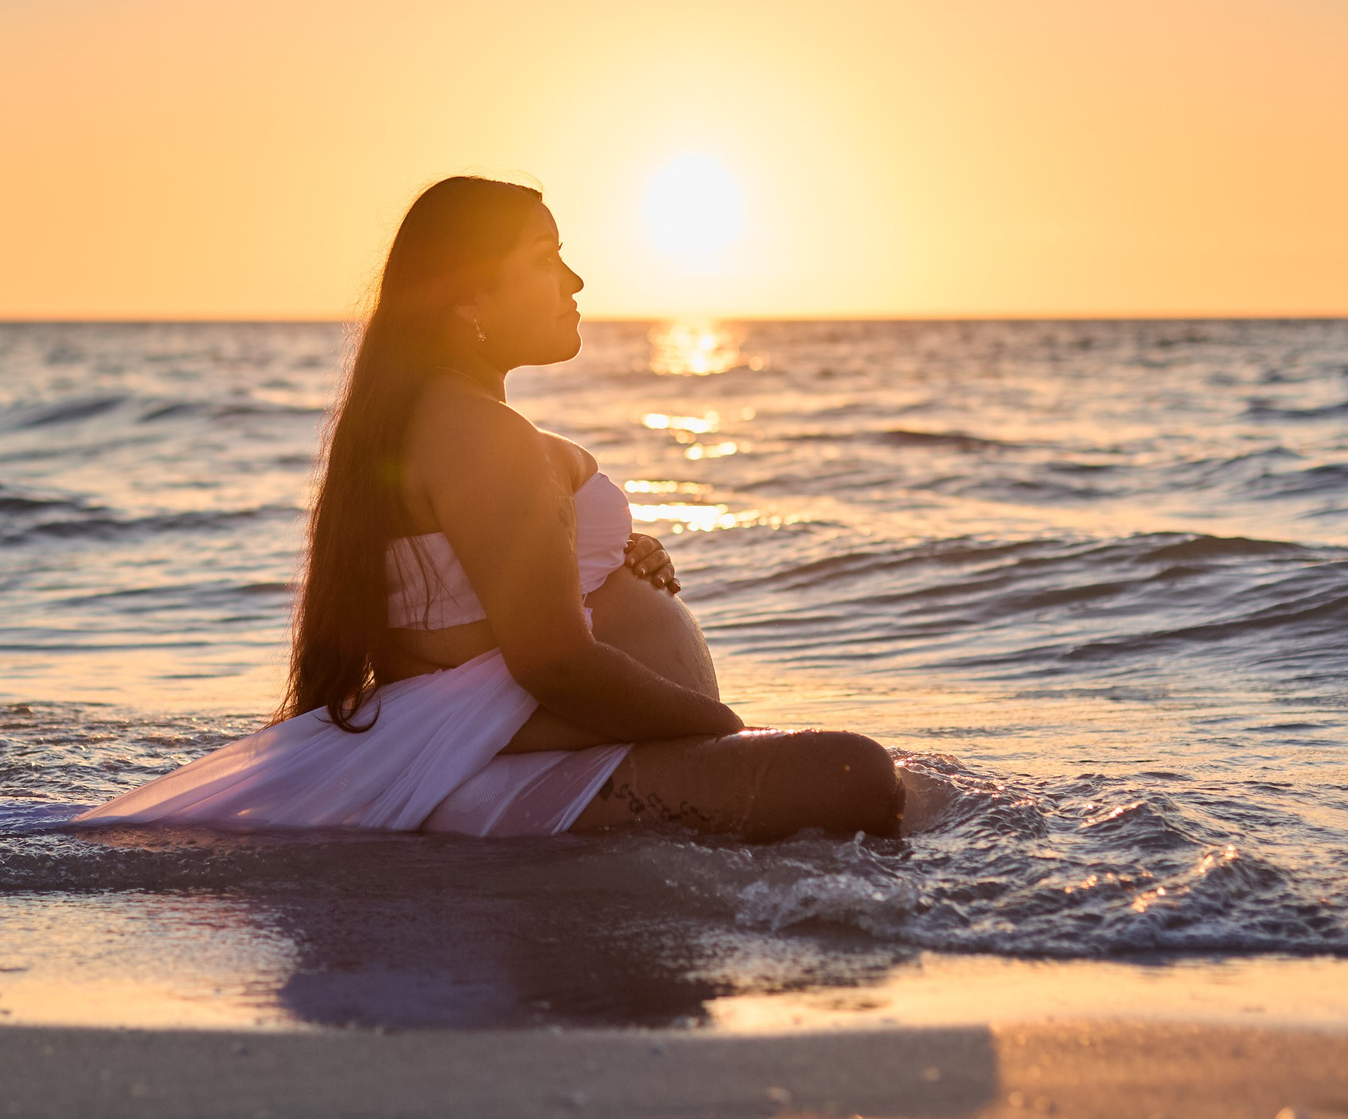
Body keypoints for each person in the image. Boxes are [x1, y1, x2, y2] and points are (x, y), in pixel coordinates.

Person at [74, 176, 903, 841]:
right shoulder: (482, 432)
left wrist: (607, 556)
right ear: (470, 296)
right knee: (856, 774)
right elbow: (552, 665)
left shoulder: (426, 420)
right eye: (546, 259)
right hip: (506, 777)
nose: (574, 281)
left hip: (478, 765)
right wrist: (719, 724)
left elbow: (456, 618)